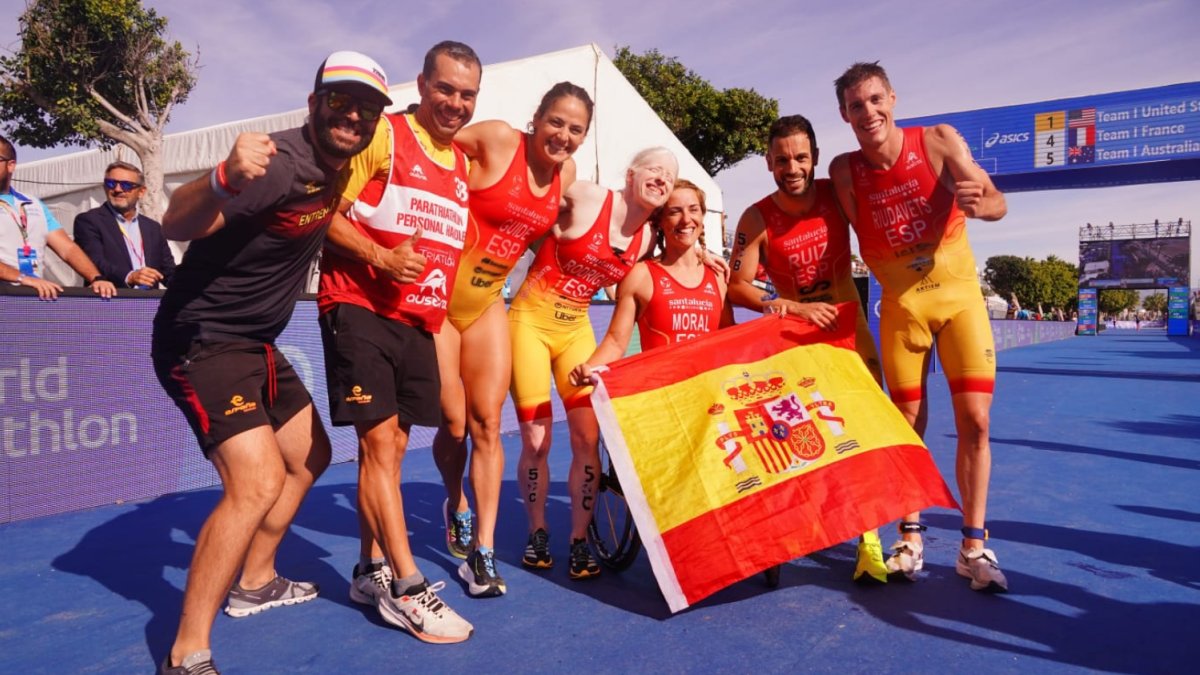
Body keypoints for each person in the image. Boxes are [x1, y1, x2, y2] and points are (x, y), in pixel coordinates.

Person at [151, 50, 390, 674]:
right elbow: (176, 222)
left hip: (257, 343)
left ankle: (255, 581)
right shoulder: (278, 165)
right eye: (340, 101)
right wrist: (222, 178)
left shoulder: (340, 164)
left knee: (310, 454)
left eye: (366, 109)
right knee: (255, 482)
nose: (353, 116)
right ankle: (186, 653)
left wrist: (380, 258)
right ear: (314, 104)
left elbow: (329, 212)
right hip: (200, 337)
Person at [317, 41, 479, 643]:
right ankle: (410, 586)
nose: (455, 103)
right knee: (380, 443)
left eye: (467, 95)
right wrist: (380, 257)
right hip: (359, 305)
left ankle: (368, 570)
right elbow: (323, 210)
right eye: (445, 89)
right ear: (421, 83)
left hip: (418, 320)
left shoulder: (460, 163)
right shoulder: (385, 136)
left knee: (387, 448)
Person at [829, 62, 1009, 592]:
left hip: (958, 301)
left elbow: (996, 201)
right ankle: (910, 537)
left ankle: (974, 547)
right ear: (845, 114)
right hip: (903, 310)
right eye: (857, 106)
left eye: (876, 100)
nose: (869, 113)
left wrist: (984, 206)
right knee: (906, 424)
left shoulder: (936, 142)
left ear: (893, 99)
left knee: (975, 420)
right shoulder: (844, 172)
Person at [431, 82, 594, 598]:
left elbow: (617, 212)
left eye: (576, 129)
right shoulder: (500, 140)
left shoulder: (566, 176)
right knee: (453, 424)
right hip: (437, 300)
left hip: (485, 306)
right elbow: (432, 146)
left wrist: (693, 247)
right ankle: (454, 498)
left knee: (487, 422)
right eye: (556, 122)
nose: (563, 136)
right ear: (536, 117)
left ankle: (483, 549)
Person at [726, 114, 889, 585]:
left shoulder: (836, 197)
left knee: (861, 431)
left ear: (814, 157)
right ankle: (790, 530)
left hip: (847, 331)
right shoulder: (755, 216)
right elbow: (737, 286)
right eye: (781, 160)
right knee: (796, 439)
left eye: (800, 157)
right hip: (794, 337)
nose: (792, 167)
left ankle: (869, 540)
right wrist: (789, 307)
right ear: (768, 163)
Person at [509, 146, 678, 579]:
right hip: (528, 324)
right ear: (630, 173)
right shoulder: (588, 197)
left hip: (575, 332)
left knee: (587, 437)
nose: (661, 180)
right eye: (654, 170)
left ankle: (580, 541)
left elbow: (677, 252)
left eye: (669, 177)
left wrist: (709, 258)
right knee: (536, 439)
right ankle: (538, 531)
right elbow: (533, 191)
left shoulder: (645, 239)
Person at [570, 179, 728, 379]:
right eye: (674, 211)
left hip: (708, 399)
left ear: (702, 216)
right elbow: (616, 342)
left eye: (693, 209)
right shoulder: (640, 275)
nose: (686, 219)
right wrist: (589, 369)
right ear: (660, 220)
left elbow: (729, 340)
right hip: (660, 397)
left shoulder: (718, 275)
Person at [0, 135, 117, 300]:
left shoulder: (32, 204)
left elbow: (67, 249)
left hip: (28, 298)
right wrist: (21, 278)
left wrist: (96, 278)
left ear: (11, 165)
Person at [73, 161, 177, 289]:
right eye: (111, 183)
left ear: (141, 191)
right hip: (112, 301)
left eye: (126, 185)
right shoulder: (89, 221)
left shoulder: (152, 227)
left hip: (149, 303)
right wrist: (130, 276)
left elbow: (168, 270)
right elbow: (94, 262)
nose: (117, 189)